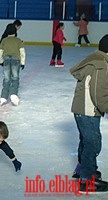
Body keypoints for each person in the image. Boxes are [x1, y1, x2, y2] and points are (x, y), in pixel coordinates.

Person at [70, 34, 108, 192]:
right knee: (93, 143)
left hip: (83, 109)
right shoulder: (101, 65)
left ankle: (82, 170)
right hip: (88, 110)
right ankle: (87, 179)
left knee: (86, 141)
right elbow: (99, 92)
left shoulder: (95, 59)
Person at [0, 24, 25, 106]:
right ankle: (13, 95)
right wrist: (23, 63)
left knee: (6, 78)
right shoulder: (18, 40)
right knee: (15, 78)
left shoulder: (4, 40)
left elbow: (0, 52)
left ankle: (3, 97)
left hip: (6, 60)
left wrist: (1, 61)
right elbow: (22, 53)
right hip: (15, 61)